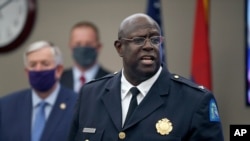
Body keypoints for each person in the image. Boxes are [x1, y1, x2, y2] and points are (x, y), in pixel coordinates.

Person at [67, 13, 224, 141]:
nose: (149, 46)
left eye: (155, 40)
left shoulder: (194, 101)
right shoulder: (90, 94)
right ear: (120, 47)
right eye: (139, 40)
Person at [0, 41, 77, 141]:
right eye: (32, 65)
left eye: (45, 64)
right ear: (27, 72)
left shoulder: (78, 105)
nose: (38, 69)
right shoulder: (6, 106)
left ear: (58, 70)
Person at [60, 21, 111, 93]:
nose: (83, 48)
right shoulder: (58, 80)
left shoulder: (111, 81)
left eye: (88, 44)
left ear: (99, 47)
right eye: (78, 44)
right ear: (70, 47)